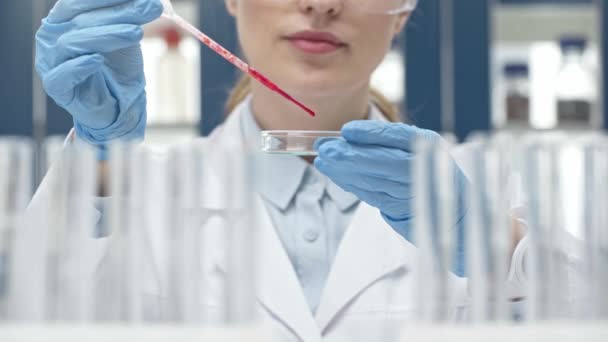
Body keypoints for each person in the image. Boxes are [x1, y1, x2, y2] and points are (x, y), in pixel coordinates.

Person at [34, 0, 527, 340]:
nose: (320, 3)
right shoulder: (136, 197)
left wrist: (498, 248)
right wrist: (100, 165)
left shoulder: (492, 190)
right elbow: (39, 316)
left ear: (402, 11)